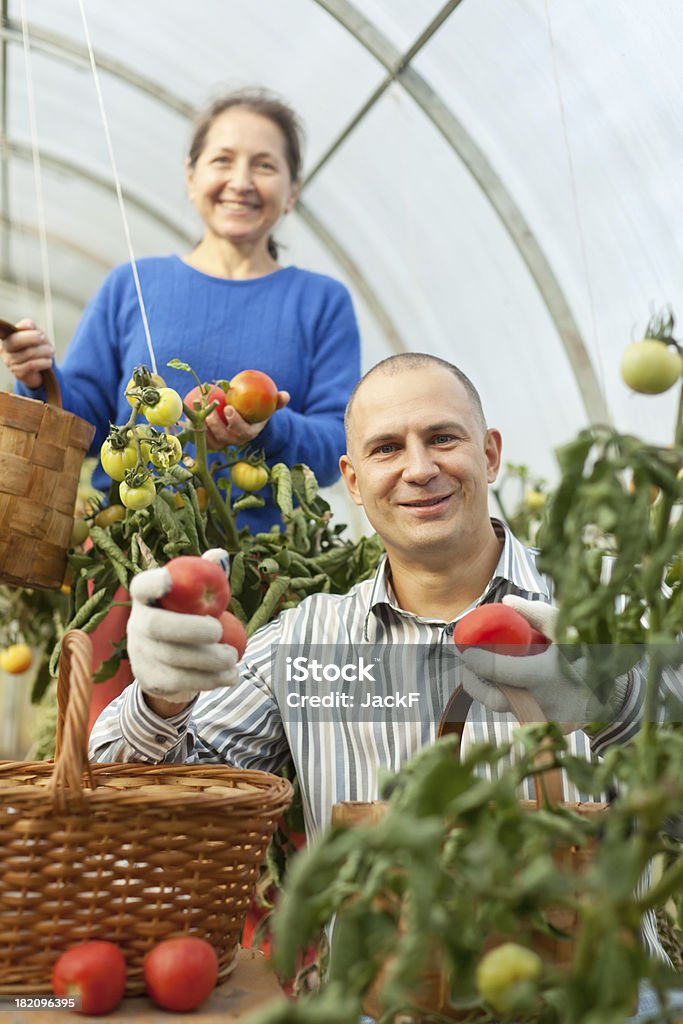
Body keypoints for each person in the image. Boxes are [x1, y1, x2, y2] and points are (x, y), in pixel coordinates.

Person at [89, 353, 682, 1016]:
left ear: (489, 454)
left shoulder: (607, 606)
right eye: (386, 448)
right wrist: (160, 699)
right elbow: (140, 812)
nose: (419, 467)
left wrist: (617, 703)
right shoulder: (305, 644)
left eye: (443, 438)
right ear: (353, 479)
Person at [0, 87, 361, 535]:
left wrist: (266, 430)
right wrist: (40, 378)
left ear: (292, 191)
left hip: (264, 563)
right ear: (191, 178)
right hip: (133, 546)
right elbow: (85, 425)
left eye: (265, 165)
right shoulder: (132, 283)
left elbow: (340, 448)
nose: (242, 181)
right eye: (222, 160)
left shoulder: (322, 302)